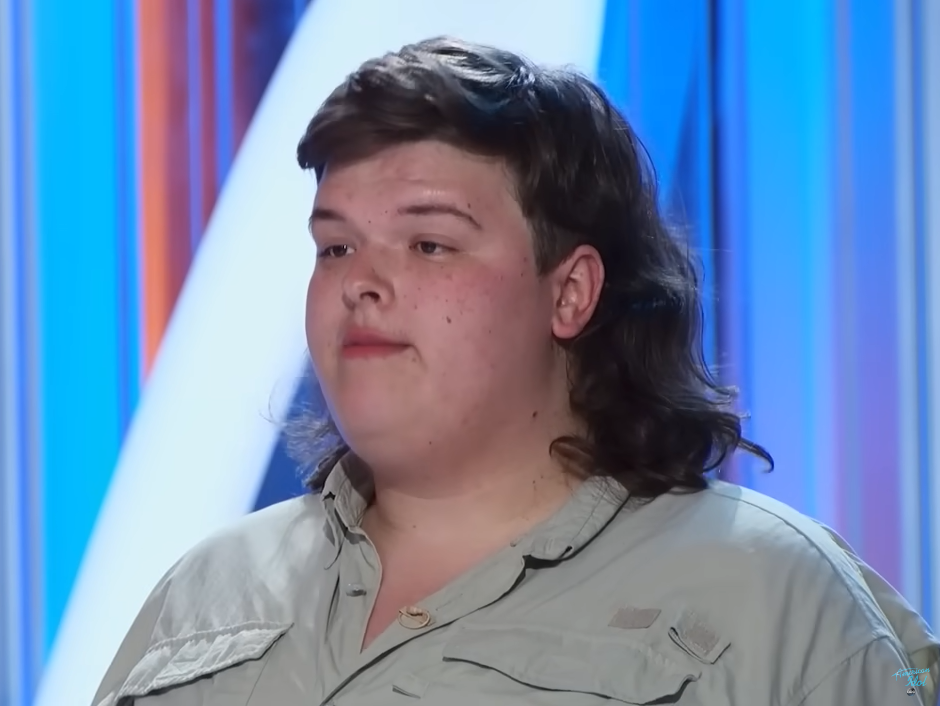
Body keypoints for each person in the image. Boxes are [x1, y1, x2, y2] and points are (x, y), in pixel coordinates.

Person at [92, 37, 939, 706]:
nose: (359, 283)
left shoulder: (772, 594)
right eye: (335, 247)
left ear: (568, 292)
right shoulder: (206, 591)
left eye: (429, 243)